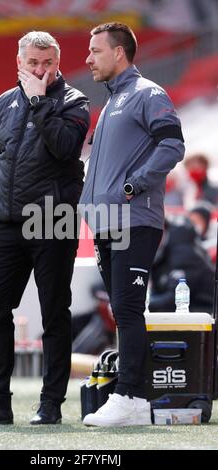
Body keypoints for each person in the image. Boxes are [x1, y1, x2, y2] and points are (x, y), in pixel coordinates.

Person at [0, 31, 90, 425]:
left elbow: (64, 147)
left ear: (58, 63)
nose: (41, 70)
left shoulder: (74, 102)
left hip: (53, 219)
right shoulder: (4, 103)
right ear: (19, 63)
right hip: (7, 222)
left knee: (54, 314)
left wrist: (39, 100)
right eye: (33, 63)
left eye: (47, 63)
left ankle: (50, 405)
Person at [79, 22, 185, 426]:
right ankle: (132, 398)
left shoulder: (147, 93)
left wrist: (132, 186)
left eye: (95, 50)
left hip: (134, 219)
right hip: (106, 222)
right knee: (122, 310)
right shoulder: (111, 103)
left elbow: (173, 144)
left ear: (118, 52)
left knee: (126, 309)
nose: (88, 58)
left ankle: (131, 396)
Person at [149, 216, 214, 313]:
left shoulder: (183, 253)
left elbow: (175, 299)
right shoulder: (161, 253)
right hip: (189, 312)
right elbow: (157, 290)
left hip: (204, 312)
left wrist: (144, 305)